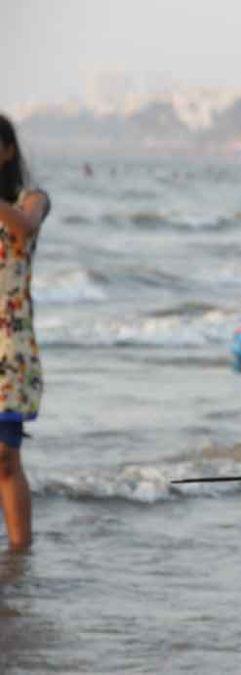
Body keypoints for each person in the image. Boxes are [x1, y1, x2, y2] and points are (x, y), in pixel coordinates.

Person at [0, 115, 50, 551]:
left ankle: (19, 557)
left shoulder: (31, 198)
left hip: (9, 344)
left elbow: (24, 226)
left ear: (7, 150)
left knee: (5, 455)